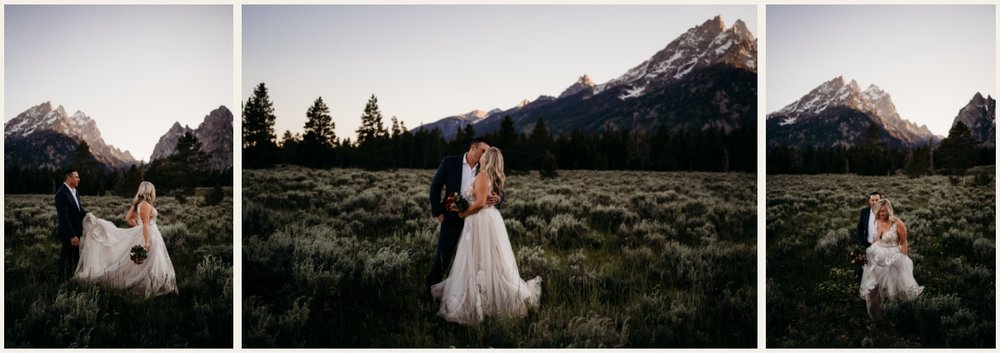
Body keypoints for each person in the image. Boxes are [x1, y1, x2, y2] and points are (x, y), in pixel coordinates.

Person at [431, 147, 541, 325]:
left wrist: (463, 213)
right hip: (486, 220)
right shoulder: (491, 176)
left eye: (485, 154)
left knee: (478, 259)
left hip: (479, 221)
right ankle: (487, 294)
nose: (481, 156)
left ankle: (481, 300)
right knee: (487, 260)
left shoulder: (482, 175)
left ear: (487, 159)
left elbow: (481, 202)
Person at [74, 181, 178, 298]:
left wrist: (138, 230)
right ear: (149, 191)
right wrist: (146, 241)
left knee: (145, 263)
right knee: (151, 262)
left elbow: (128, 219)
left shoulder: (138, 204)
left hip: (147, 234)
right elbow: (146, 224)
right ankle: (152, 286)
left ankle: (154, 284)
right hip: (150, 236)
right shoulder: (145, 205)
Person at [426, 140, 501, 296]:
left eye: (487, 152)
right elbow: (435, 187)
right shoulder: (450, 162)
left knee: (473, 259)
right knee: (443, 257)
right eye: (482, 150)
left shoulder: (484, 167)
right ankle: (430, 292)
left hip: (476, 222)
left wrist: (499, 199)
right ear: (472, 148)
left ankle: (471, 294)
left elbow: (496, 189)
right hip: (452, 219)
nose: (485, 154)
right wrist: (438, 212)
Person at [859, 198, 923, 321]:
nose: (881, 214)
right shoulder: (877, 221)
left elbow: (904, 242)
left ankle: (899, 315)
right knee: (874, 286)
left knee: (895, 287)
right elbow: (877, 240)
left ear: (889, 210)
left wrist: (903, 259)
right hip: (877, 255)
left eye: (884, 211)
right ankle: (876, 317)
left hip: (894, 256)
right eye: (879, 211)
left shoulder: (898, 223)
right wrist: (868, 253)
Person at [55, 169, 86, 282]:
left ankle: (72, 281)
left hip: (76, 232)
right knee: (66, 258)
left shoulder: (75, 191)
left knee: (75, 259)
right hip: (69, 234)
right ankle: (61, 283)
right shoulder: (62, 194)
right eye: (76, 177)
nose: (79, 179)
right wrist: (72, 235)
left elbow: (79, 210)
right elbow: (64, 217)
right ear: (69, 178)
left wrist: (89, 217)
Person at [855, 191, 880, 281]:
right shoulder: (864, 212)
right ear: (869, 201)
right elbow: (860, 227)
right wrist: (862, 241)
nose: (875, 202)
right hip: (868, 245)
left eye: (877, 200)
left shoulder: (885, 213)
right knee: (865, 269)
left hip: (882, 246)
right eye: (872, 200)